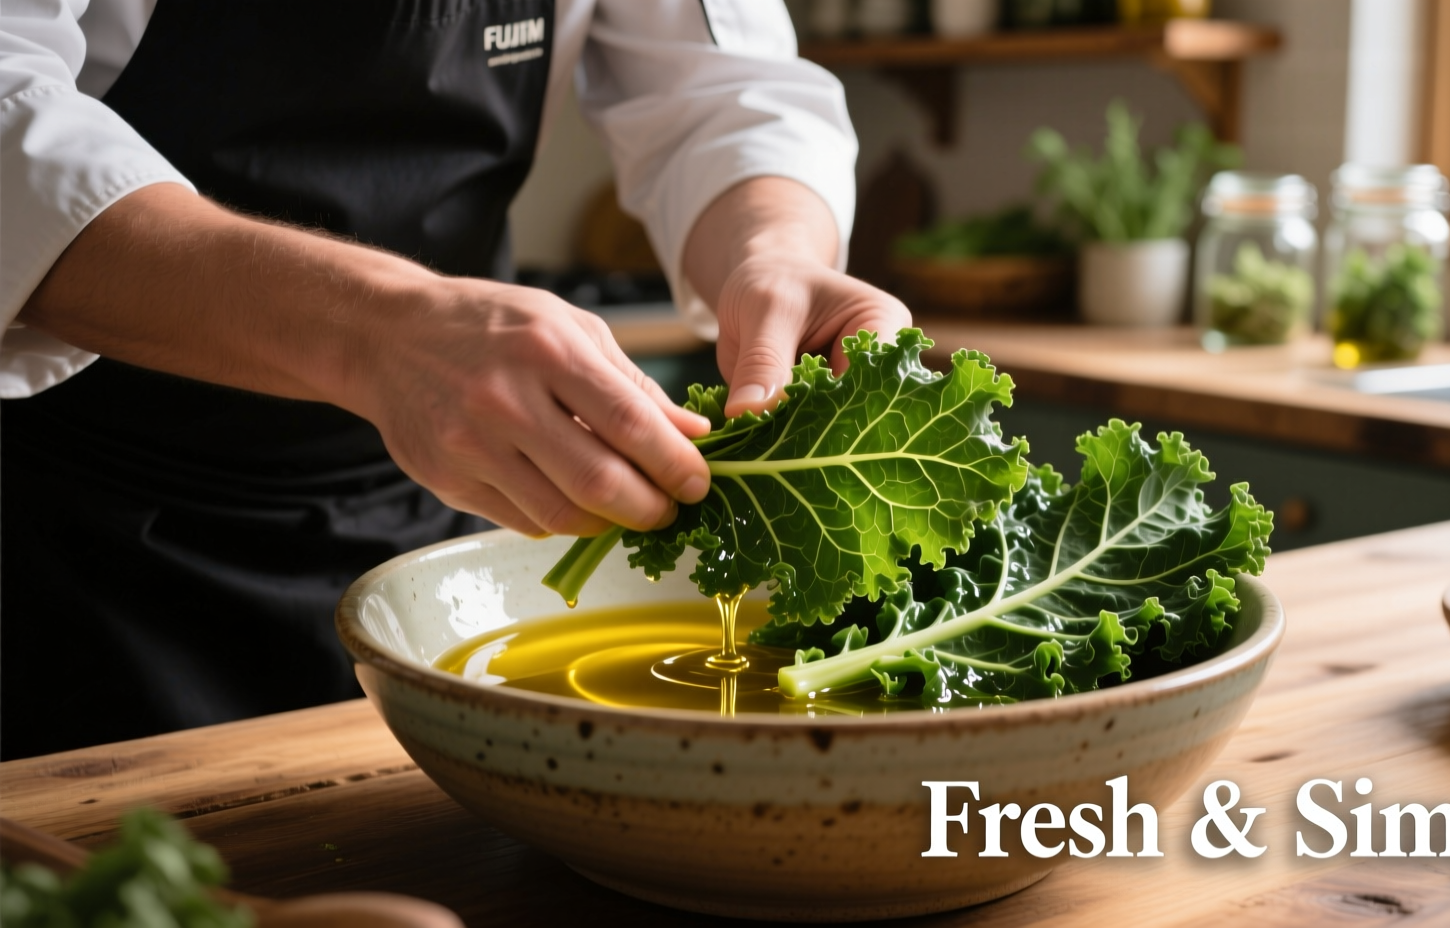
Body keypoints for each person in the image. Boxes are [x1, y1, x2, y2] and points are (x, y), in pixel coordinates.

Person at [0, 0, 908, 759]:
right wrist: (374, 332)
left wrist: (773, 253)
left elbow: (723, 96)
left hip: (424, 536)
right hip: (68, 547)